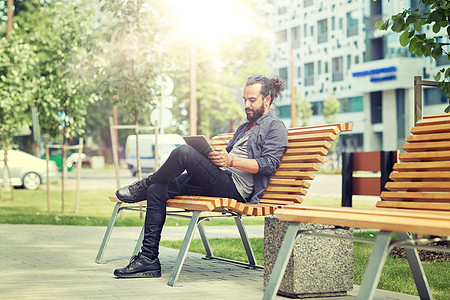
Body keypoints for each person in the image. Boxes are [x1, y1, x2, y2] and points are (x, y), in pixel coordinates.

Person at [113, 75, 289, 278]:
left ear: (267, 100)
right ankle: (148, 259)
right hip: (218, 178)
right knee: (157, 190)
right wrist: (213, 156)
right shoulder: (244, 128)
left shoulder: (275, 127)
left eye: (252, 100)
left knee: (184, 152)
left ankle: (142, 185)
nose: (246, 105)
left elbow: (269, 164)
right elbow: (227, 159)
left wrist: (230, 160)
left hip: (235, 188)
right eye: (244, 100)